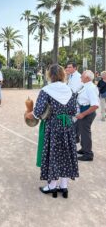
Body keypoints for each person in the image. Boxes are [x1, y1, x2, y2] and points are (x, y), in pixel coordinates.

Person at [26, 64, 79, 198]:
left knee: (54, 153)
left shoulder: (46, 90)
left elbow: (38, 112)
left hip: (53, 126)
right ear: (63, 75)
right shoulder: (71, 90)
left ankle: (52, 186)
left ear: (50, 75)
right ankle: (64, 186)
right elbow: (74, 111)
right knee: (66, 153)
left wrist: (29, 114)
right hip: (67, 125)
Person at [76, 70, 99, 161]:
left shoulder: (90, 88)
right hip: (84, 110)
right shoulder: (86, 86)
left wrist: (83, 114)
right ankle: (84, 149)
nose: (81, 77)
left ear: (87, 78)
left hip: (87, 112)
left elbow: (95, 105)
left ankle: (88, 154)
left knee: (85, 133)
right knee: (82, 131)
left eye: (82, 75)